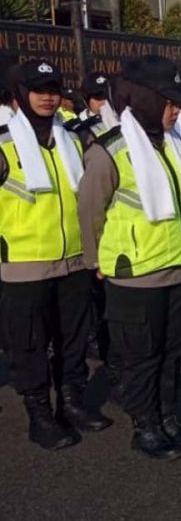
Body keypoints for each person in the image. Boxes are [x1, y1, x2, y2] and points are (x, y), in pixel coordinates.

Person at [77, 55, 181, 460]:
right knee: (141, 356)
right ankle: (144, 425)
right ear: (147, 100)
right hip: (135, 274)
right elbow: (90, 209)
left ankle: (167, 417)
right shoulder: (110, 151)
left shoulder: (171, 144)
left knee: (171, 351)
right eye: (168, 101)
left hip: (177, 267)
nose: (175, 109)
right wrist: (96, 260)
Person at [0, 60, 111, 450]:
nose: (48, 97)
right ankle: (39, 413)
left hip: (74, 259)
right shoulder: (3, 143)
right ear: (19, 93)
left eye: (53, 89)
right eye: (38, 89)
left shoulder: (73, 139)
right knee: (29, 343)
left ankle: (71, 401)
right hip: (24, 264)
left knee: (73, 338)